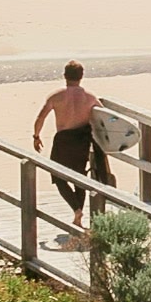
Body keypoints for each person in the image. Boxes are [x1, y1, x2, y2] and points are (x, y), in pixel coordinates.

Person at [32, 60, 112, 238]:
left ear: (64, 75)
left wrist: (36, 136)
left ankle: (76, 209)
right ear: (81, 76)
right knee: (79, 177)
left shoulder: (56, 96)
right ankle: (78, 214)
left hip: (63, 140)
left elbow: (40, 118)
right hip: (81, 139)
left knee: (58, 177)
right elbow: (106, 118)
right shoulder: (90, 97)